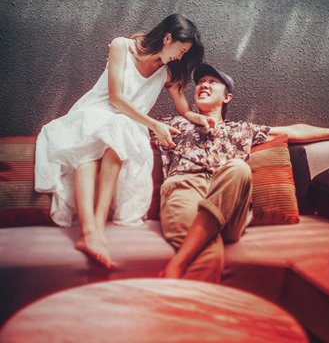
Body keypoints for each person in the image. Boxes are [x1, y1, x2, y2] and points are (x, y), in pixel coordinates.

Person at [155, 63, 329, 282]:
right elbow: (135, 123)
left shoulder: (242, 130)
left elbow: (295, 130)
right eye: (200, 82)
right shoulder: (176, 123)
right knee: (208, 256)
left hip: (230, 204)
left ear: (227, 97)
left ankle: (180, 262)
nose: (204, 85)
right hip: (186, 187)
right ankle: (190, 284)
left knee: (238, 168)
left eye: (212, 82)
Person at [35, 14, 210, 268]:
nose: (180, 57)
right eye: (181, 50)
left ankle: (96, 228)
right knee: (93, 142)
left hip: (128, 126)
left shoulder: (169, 71)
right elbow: (115, 99)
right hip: (95, 113)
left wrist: (199, 117)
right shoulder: (122, 46)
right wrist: (154, 125)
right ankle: (89, 231)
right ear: (167, 38)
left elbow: (184, 108)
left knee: (119, 132)